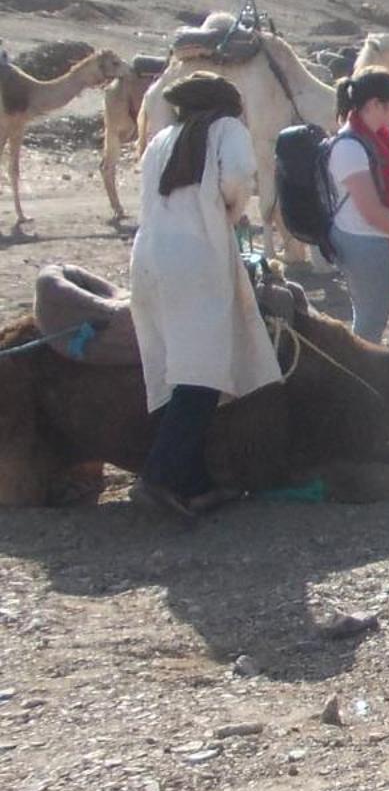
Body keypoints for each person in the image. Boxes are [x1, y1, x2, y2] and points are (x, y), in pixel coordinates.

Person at [128, 73, 282, 521]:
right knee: (203, 374)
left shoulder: (163, 139)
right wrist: (231, 210)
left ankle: (196, 483)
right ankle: (157, 477)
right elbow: (237, 177)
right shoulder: (226, 130)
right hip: (195, 258)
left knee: (180, 368)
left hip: (153, 256)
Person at [327, 69, 389, 346]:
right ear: (374, 104)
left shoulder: (382, 140)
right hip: (365, 244)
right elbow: (371, 210)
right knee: (371, 323)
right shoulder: (349, 148)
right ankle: (359, 383)